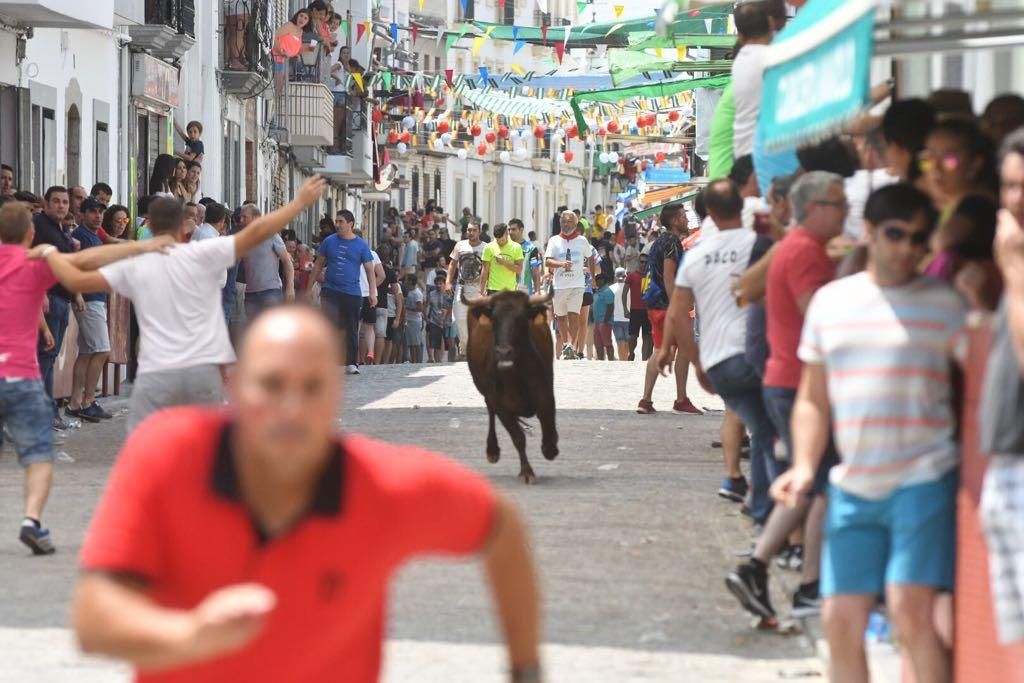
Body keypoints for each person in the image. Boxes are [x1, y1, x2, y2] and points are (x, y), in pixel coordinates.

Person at [71, 304, 542, 681]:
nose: (291, 409)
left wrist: (526, 670)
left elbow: (500, 528)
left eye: (312, 387)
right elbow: (96, 618)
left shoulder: (384, 488)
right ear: (233, 385)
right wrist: (189, 636)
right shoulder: (170, 454)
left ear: (337, 395)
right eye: (271, 385)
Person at [772, 184, 965, 683]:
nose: (907, 248)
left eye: (920, 240)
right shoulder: (832, 304)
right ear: (872, 233)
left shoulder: (946, 305)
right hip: (853, 485)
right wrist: (803, 465)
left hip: (924, 480)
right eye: (897, 235)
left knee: (911, 612)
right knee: (839, 621)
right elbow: (813, 399)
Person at [42, 177, 327, 433]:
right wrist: (298, 203)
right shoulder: (204, 253)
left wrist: (48, 254)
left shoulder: (140, 266)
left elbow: (75, 275)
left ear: (149, 226)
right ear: (184, 228)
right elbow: (254, 232)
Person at [0, 203, 172, 554]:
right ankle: (32, 520)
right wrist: (142, 245)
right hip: (20, 375)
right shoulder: (34, 263)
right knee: (37, 454)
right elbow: (86, 262)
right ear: (31, 233)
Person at [725, 172, 846, 622]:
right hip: (799, 381)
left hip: (790, 378)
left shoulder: (795, 247)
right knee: (817, 482)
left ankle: (762, 569)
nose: (846, 211)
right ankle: (801, 580)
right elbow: (818, 315)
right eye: (837, 204)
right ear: (811, 208)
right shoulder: (805, 251)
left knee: (811, 480)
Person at [661, 179, 782, 523]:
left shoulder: (695, 255)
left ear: (709, 213)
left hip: (719, 361)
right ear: (741, 207)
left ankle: (755, 500)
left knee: (760, 427)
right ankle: (766, 509)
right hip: (759, 353)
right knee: (766, 430)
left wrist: (697, 362)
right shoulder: (761, 244)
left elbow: (678, 315)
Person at [978, 128, 1024, 647]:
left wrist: (1012, 269)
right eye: (1008, 185)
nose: (1014, 199)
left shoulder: (1015, 258)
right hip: (1005, 462)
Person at [637, 204, 700, 415]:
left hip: (654, 305)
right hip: (667, 305)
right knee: (684, 349)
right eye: (683, 217)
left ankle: (646, 400)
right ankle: (681, 399)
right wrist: (677, 306)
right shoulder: (673, 242)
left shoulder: (658, 242)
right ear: (674, 221)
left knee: (659, 350)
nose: (686, 220)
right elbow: (668, 275)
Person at [31, 186, 84, 429]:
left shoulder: (60, 230)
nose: (62, 206)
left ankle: (48, 411)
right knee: (44, 356)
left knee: (48, 358)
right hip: (48, 300)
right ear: (46, 203)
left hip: (62, 300)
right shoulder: (38, 226)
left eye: (64, 202)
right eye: (57, 201)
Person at [308, 209, 377, 375]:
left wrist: (373, 293)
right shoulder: (328, 242)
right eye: (336, 221)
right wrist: (308, 288)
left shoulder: (361, 245)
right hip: (330, 290)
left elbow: (369, 270)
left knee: (351, 327)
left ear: (350, 224)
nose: (337, 225)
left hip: (352, 292)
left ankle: (351, 362)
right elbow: (318, 265)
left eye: (340, 222)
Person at [66, 198, 115, 423]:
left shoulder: (94, 236)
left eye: (100, 212)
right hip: (89, 299)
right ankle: (87, 401)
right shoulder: (81, 236)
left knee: (86, 353)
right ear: (82, 214)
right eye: (93, 212)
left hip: (95, 297)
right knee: (103, 350)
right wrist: (77, 294)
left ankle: (76, 402)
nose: (97, 216)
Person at [544, 211, 591, 360]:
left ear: (575, 224)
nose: (566, 224)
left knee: (574, 316)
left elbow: (591, 258)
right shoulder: (554, 240)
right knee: (561, 317)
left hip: (577, 284)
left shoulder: (582, 240)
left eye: (569, 222)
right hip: (559, 286)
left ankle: (572, 344)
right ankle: (566, 344)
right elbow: (548, 261)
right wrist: (562, 264)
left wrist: (593, 277)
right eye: (563, 222)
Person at [731, 1, 773, 158]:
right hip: (767, 149)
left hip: (744, 149)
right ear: (770, 23)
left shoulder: (740, 61)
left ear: (741, 36)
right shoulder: (773, 57)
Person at [241, 205, 295, 319]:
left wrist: (290, 287)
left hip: (270, 292)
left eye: (244, 217)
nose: (241, 220)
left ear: (255, 218)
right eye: (241, 217)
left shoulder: (271, 235)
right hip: (250, 293)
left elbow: (287, 261)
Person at [445, 222, 485, 357]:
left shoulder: (486, 247)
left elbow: (489, 268)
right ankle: (465, 347)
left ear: (479, 231)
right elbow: (452, 264)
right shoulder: (460, 245)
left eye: (474, 230)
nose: (471, 233)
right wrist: (448, 282)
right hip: (462, 287)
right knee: (458, 320)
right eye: (469, 230)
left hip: (479, 288)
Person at [480, 223, 524, 294]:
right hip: (492, 290)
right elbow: (484, 270)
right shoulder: (488, 247)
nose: (500, 242)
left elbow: (519, 270)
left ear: (507, 234)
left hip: (510, 290)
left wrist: (504, 262)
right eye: (498, 240)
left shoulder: (516, 247)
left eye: (502, 239)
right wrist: (481, 292)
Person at [625, 254, 652, 361]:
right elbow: (624, 293)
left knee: (647, 337)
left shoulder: (650, 276)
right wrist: (625, 309)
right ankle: (631, 353)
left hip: (647, 310)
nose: (644, 264)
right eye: (642, 262)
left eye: (646, 262)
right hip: (635, 310)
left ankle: (645, 359)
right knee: (632, 336)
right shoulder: (632, 275)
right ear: (638, 262)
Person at [508, 219, 541, 294]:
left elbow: (535, 271)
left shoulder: (531, 249)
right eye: (509, 230)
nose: (510, 232)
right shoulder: (505, 247)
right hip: (507, 292)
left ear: (521, 230)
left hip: (523, 291)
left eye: (513, 229)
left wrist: (538, 292)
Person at [426, 272, 453, 363]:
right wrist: (426, 317)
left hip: (447, 322)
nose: (438, 285)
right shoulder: (431, 294)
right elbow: (426, 306)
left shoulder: (448, 294)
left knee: (450, 343)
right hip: (435, 321)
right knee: (436, 343)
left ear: (444, 284)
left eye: (440, 283)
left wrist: (446, 318)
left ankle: (451, 361)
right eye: (437, 283)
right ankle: (438, 362)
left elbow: (450, 307)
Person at [590, 273, 616, 361]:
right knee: (598, 344)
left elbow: (610, 306)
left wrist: (605, 321)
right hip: (597, 322)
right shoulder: (597, 291)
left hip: (604, 322)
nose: (596, 282)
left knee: (607, 343)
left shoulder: (607, 291)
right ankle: (601, 361)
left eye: (598, 280)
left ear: (602, 280)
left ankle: (611, 360)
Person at [401, 273, 424, 364]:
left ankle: (417, 361)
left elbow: (420, 308)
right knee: (411, 343)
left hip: (415, 320)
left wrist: (407, 308)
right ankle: (413, 360)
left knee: (416, 343)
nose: (405, 282)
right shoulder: (408, 291)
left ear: (410, 281)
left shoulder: (417, 293)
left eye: (406, 280)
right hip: (409, 320)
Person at [609, 267, 631, 362]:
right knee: (627, 343)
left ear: (615, 276)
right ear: (625, 276)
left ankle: (622, 361)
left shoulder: (610, 289)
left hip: (616, 319)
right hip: (629, 319)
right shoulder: (630, 288)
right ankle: (625, 360)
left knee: (619, 342)